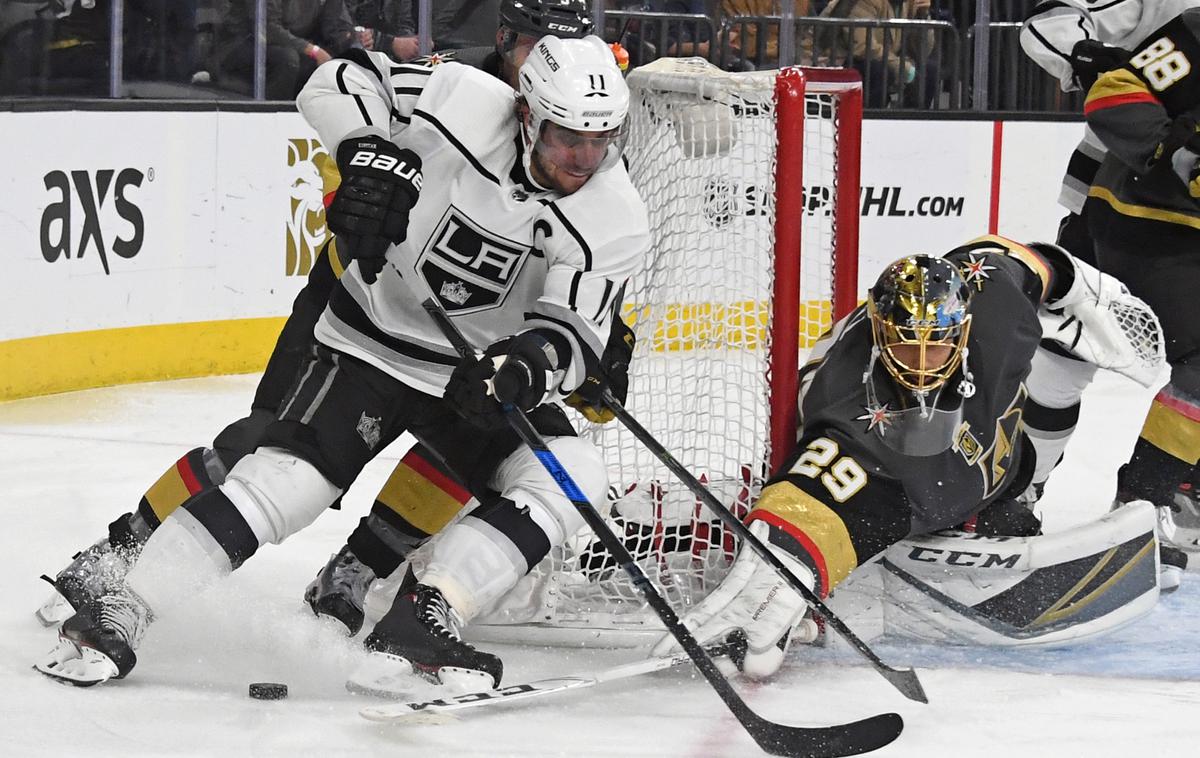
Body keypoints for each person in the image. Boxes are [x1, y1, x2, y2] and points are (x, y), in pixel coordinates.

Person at [36, 34, 648, 690]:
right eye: (567, 139)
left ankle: (424, 614)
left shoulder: (615, 213)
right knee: (285, 481)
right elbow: (335, 82)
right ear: (528, 114)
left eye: (600, 140)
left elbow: (573, 329)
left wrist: (530, 367)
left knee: (571, 472)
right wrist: (366, 152)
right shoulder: (457, 100)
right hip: (364, 340)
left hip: (467, 374)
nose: (585, 158)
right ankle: (120, 601)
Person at [652, 235, 1160, 676]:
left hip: (988, 443)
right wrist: (791, 563)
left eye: (936, 345)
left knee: (1069, 363)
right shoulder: (842, 396)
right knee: (927, 497)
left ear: (962, 329)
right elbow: (820, 480)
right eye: (905, 344)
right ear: (880, 331)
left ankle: (1023, 490)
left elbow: (1013, 259)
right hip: (904, 469)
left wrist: (1076, 286)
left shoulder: (992, 300)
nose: (921, 362)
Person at [1020, 0, 1199, 586]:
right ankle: (1018, 489)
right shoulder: (1180, 18)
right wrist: (1091, 61)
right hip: (1130, 206)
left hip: (1144, 211)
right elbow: (1051, 29)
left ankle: (1161, 499)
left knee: (1065, 358)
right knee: (1064, 356)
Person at [1080, 7, 1200, 575]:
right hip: (1148, 223)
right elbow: (1114, 93)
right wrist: (1177, 154)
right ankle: (1143, 504)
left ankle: (1182, 486)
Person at [210, 0, 355, 99]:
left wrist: (351, 40)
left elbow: (337, 26)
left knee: (339, 62)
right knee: (288, 59)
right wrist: (312, 50)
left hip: (293, 46)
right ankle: (272, 118)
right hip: (239, 45)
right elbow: (266, 28)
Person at [345, 0, 420, 61]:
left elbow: (404, 24)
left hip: (390, 63)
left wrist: (415, 44)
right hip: (353, 62)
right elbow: (343, 30)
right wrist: (391, 44)